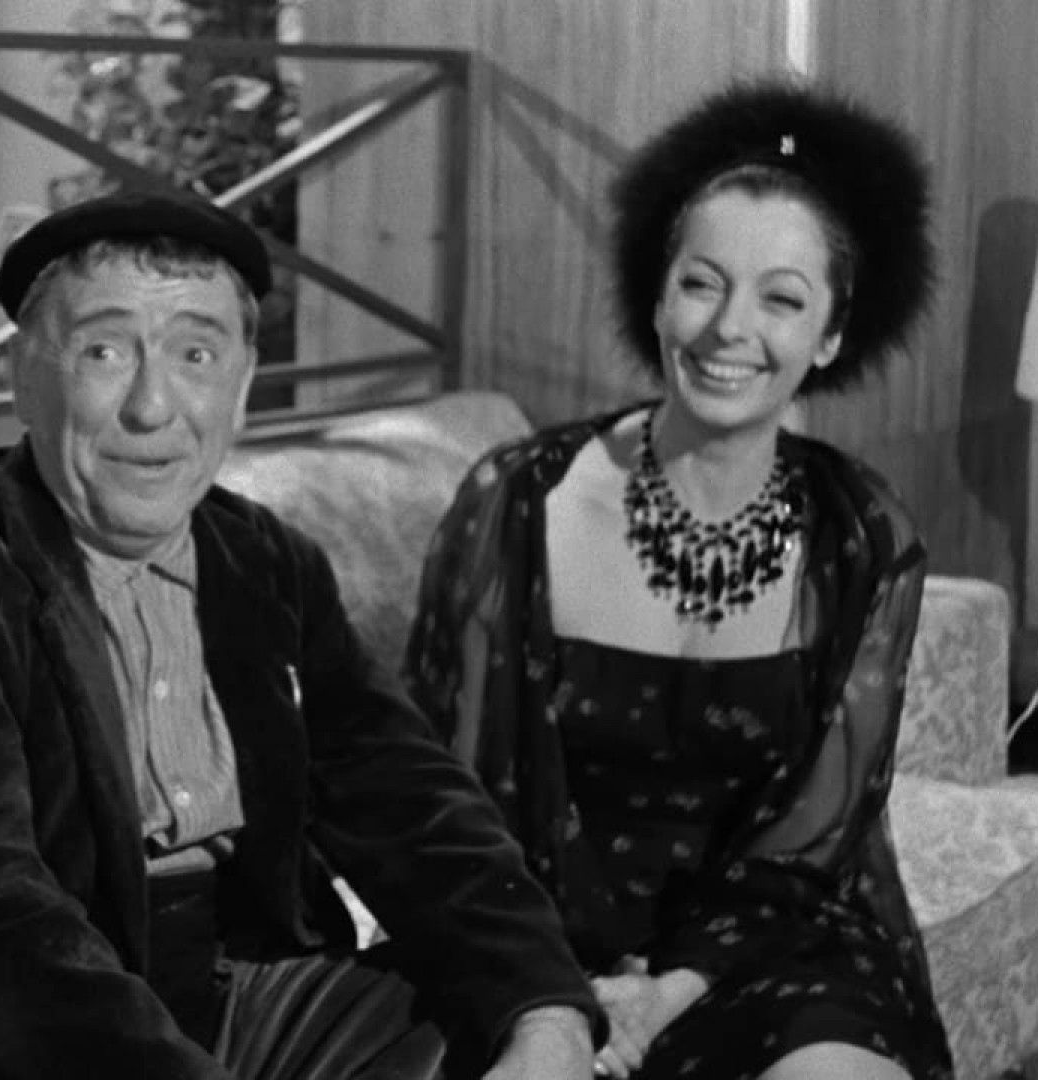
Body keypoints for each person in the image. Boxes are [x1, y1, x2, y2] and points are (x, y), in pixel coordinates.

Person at [0, 190, 604, 1080]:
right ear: (25, 377)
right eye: (104, 351)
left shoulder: (265, 561)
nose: (153, 407)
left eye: (197, 355)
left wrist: (546, 1010)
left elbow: (409, 800)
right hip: (28, 1043)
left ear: (242, 388)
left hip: (242, 993)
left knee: (490, 1020)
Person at [403, 79, 954, 1080]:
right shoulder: (513, 504)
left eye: (782, 299)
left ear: (830, 334)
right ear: (657, 298)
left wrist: (668, 991)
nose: (729, 328)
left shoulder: (865, 536)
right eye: (702, 284)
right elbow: (444, 790)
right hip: (537, 951)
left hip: (776, 942)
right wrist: (553, 993)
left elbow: (820, 827)